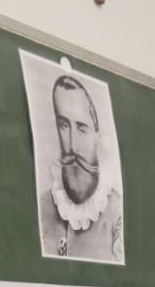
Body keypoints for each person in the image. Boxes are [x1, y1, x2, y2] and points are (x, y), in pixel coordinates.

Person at [39, 74, 123, 262]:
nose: (72, 145)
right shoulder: (41, 207)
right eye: (64, 126)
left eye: (82, 128)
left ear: (97, 135)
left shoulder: (118, 214)